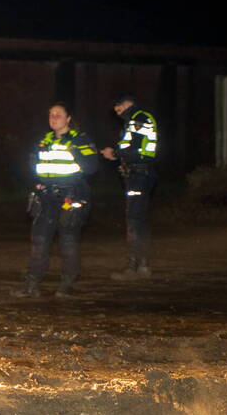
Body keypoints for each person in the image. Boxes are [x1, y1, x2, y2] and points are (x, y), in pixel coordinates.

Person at [13, 102, 99, 297]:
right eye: (51, 114)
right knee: (39, 239)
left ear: (68, 119)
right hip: (46, 197)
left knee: (68, 239)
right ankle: (32, 284)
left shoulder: (80, 140)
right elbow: (30, 166)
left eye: (58, 114)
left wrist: (73, 150)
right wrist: (36, 184)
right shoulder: (44, 141)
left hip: (71, 195)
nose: (54, 118)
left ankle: (68, 285)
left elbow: (92, 166)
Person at [100, 94, 158, 279]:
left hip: (139, 174)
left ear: (127, 104)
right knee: (138, 218)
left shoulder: (139, 119)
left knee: (135, 219)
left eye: (118, 106)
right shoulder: (136, 120)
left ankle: (136, 267)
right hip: (138, 173)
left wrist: (114, 153)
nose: (117, 111)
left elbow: (134, 147)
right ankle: (141, 265)